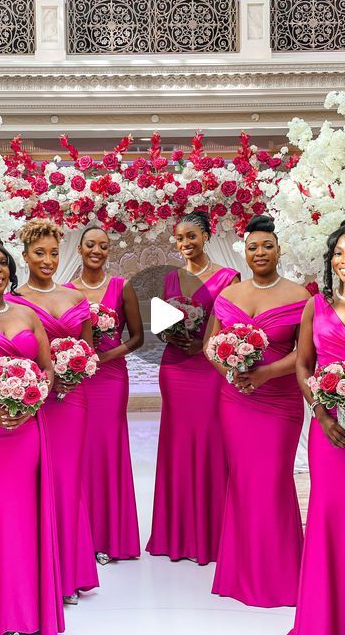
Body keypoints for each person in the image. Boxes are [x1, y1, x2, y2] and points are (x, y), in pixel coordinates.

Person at [206, 214, 310, 607]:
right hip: (236, 401)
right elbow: (210, 347)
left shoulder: (300, 296)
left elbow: (305, 353)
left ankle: (280, 574)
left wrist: (265, 373)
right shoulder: (230, 296)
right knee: (245, 482)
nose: (261, 252)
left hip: (279, 402)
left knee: (272, 481)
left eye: (267, 245)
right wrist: (232, 374)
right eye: (253, 247)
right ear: (245, 254)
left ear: (279, 250)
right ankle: (241, 572)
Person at [6, 219, 99, 605]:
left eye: (53, 253)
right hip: (35, 403)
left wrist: (74, 371)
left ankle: (70, 574)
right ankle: (44, 575)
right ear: (24, 256)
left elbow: (88, 351)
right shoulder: (13, 302)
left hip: (73, 401)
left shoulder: (76, 297)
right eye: (39, 253)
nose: (47, 260)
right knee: (37, 484)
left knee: (67, 479)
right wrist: (41, 384)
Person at [146, 211, 240, 564]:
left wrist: (203, 342)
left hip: (209, 368)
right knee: (178, 444)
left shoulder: (228, 278)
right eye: (180, 239)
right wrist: (173, 331)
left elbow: (231, 327)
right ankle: (176, 533)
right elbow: (158, 326)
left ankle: (212, 533)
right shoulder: (171, 279)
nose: (185, 244)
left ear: (206, 235)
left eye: (191, 237)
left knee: (211, 441)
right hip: (175, 369)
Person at [0, 240, 64, 635]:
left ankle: (22, 612)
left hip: (25, 431)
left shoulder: (27, 315)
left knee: (22, 518)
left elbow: (46, 369)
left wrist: (31, 402)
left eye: (2, 262)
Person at [66, 226, 142, 563]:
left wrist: (105, 355)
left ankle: (111, 537)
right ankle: (82, 536)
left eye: (104, 246)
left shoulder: (121, 287)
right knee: (80, 451)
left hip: (110, 379)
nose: (97, 250)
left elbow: (137, 337)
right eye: (91, 245)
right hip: (78, 379)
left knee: (107, 449)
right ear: (80, 249)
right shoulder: (66, 291)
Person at [289, 221, 345, 635]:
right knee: (329, 515)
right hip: (330, 431)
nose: (343, 260)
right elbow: (303, 365)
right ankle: (324, 619)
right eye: (338, 252)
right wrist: (323, 416)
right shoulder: (317, 306)